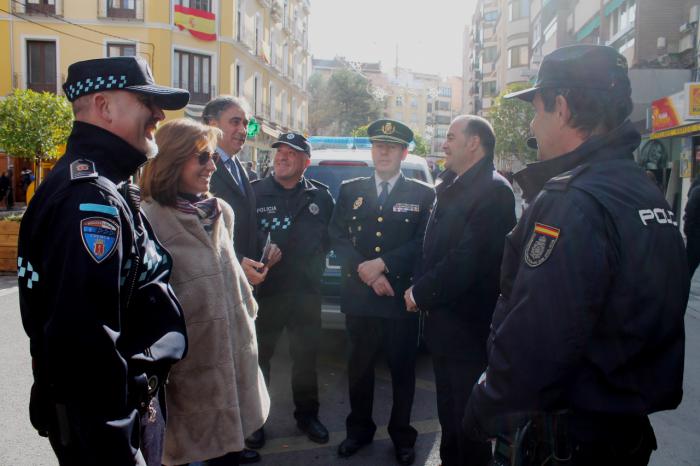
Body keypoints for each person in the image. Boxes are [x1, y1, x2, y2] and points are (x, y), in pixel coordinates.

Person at [463, 45, 689, 466]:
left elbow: (537, 340)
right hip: (624, 433)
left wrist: (482, 406)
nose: (533, 125)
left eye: (536, 110)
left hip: (567, 440)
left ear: (562, 108)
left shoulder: (572, 200)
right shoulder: (641, 188)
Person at [17, 56, 190, 466]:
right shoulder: (89, 198)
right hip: (103, 425)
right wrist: (117, 446)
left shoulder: (104, 183)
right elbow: (84, 344)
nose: (158, 115)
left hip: (109, 412)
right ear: (104, 106)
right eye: (146, 101)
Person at [140, 118, 270, 466]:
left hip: (235, 371)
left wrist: (246, 300)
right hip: (188, 383)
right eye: (202, 157)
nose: (212, 165)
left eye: (213, 156)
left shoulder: (220, 212)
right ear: (172, 160)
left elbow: (225, 278)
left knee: (228, 456)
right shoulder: (148, 220)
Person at [404, 115, 516, 466]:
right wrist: (419, 285)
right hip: (444, 329)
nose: (444, 144)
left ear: (474, 143)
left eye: (451, 137)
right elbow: (431, 246)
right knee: (450, 419)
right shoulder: (453, 183)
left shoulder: (494, 191)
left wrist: (420, 293)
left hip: (469, 332)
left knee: (468, 426)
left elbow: (467, 259)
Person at [330, 119, 435, 465]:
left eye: (391, 147)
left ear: (405, 152)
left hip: (399, 299)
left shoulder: (423, 194)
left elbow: (424, 244)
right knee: (359, 371)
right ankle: (358, 431)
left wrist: (384, 264)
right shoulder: (350, 189)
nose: (384, 152)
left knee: (403, 372)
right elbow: (338, 236)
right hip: (361, 298)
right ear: (372, 150)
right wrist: (369, 273)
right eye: (378, 145)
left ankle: (403, 436)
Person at [250, 132, 334, 447]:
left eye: (292, 153)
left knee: (306, 358)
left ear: (306, 162)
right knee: (260, 358)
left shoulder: (322, 197)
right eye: (280, 151)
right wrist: (261, 247)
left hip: (306, 294)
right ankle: (256, 421)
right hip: (267, 292)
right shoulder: (255, 193)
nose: (282, 156)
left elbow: (330, 240)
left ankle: (308, 416)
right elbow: (241, 236)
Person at [203, 96, 269, 286]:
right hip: (215, 282)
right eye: (235, 122)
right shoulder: (198, 166)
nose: (243, 130)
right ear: (212, 125)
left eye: (245, 123)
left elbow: (244, 221)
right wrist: (237, 261)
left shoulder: (238, 166)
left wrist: (265, 247)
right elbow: (196, 230)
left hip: (240, 283)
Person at [684, 176, 700, 276]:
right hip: (695, 236)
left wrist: (688, 232)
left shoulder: (697, 191)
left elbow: (689, 213)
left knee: (687, 271)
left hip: (695, 237)